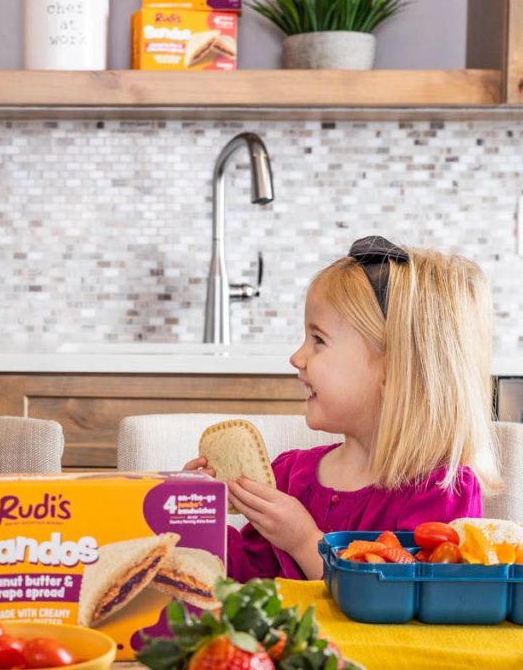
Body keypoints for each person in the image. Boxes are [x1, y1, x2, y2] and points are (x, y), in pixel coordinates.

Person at [187, 236, 502, 581]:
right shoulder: (290, 477)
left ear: (393, 369)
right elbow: (244, 580)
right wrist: (198, 517)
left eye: (318, 339)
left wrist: (305, 541)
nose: (297, 357)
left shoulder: (443, 492)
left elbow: (409, 602)